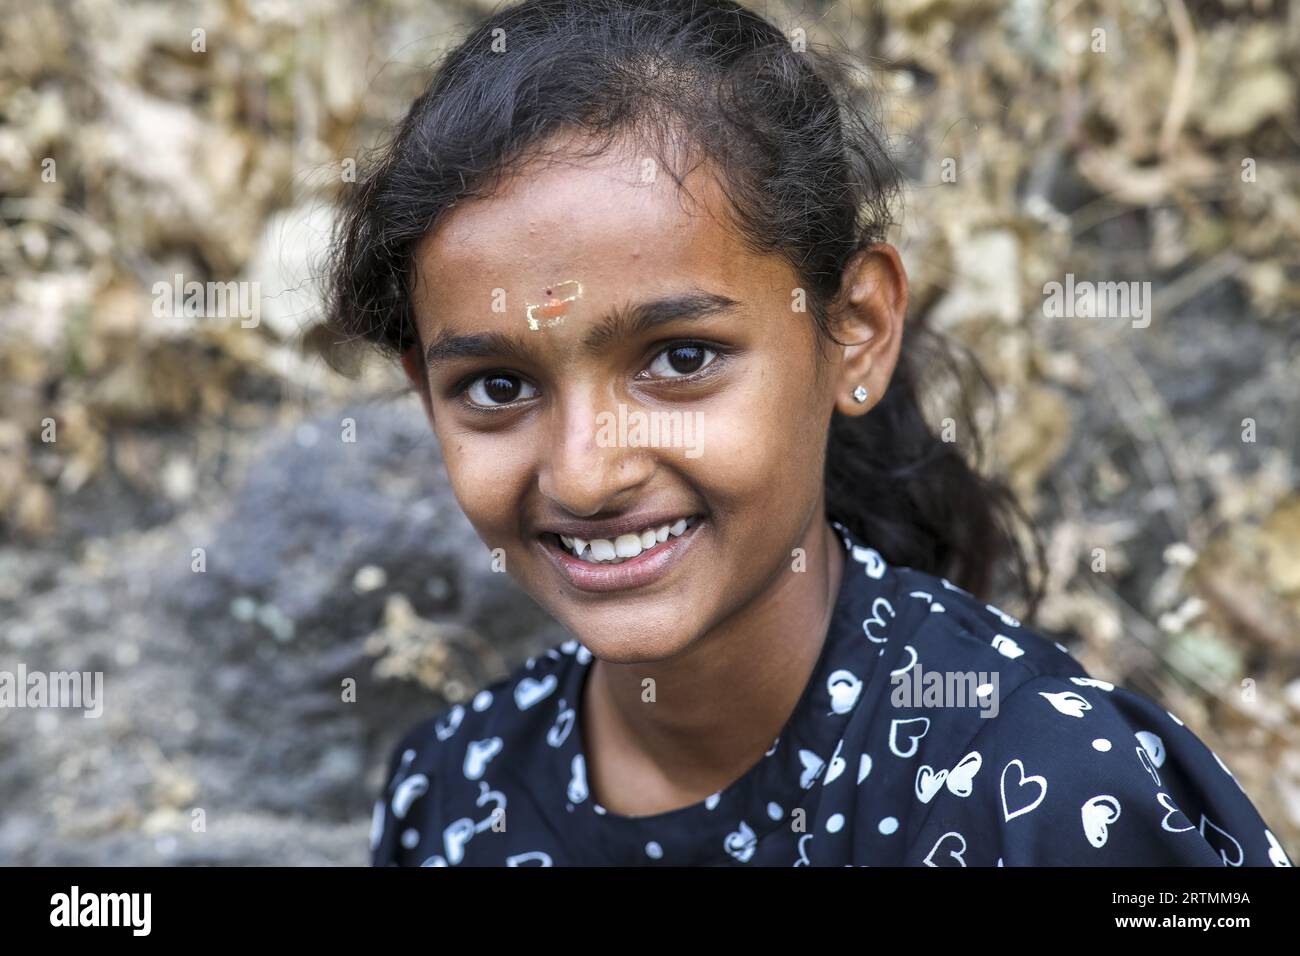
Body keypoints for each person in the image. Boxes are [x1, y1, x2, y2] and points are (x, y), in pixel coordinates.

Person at [326, 0, 1293, 866]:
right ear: (425, 394)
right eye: (497, 384)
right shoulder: (452, 799)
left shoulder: (1045, 795)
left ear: (856, 333)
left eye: (681, 359)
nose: (584, 474)